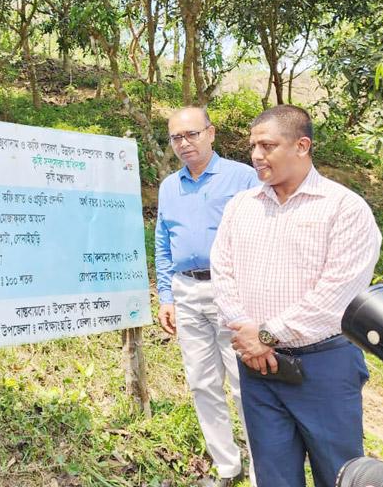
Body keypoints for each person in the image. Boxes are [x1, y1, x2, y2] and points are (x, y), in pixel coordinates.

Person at [211, 105, 382, 487]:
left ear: (302, 145)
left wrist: (266, 336)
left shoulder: (343, 208)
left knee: (338, 473)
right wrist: (247, 332)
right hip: (257, 370)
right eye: (253, 145)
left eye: (267, 145)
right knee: (273, 476)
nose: (256, 155)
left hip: (324, 367)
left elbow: (337, 294)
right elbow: (222, 273)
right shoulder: (241, 207)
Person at [154, 107, 259, 487]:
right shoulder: (169, 186)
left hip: (231, 289)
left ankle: (263, 466)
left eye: (191, 134)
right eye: (176, 138)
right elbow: (163, 244)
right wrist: (165, 294)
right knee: (201, 382)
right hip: (185, 290)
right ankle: (227, 466)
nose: (184, 143)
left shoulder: (243, 178)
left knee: (243, 381)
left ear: (210, 134)